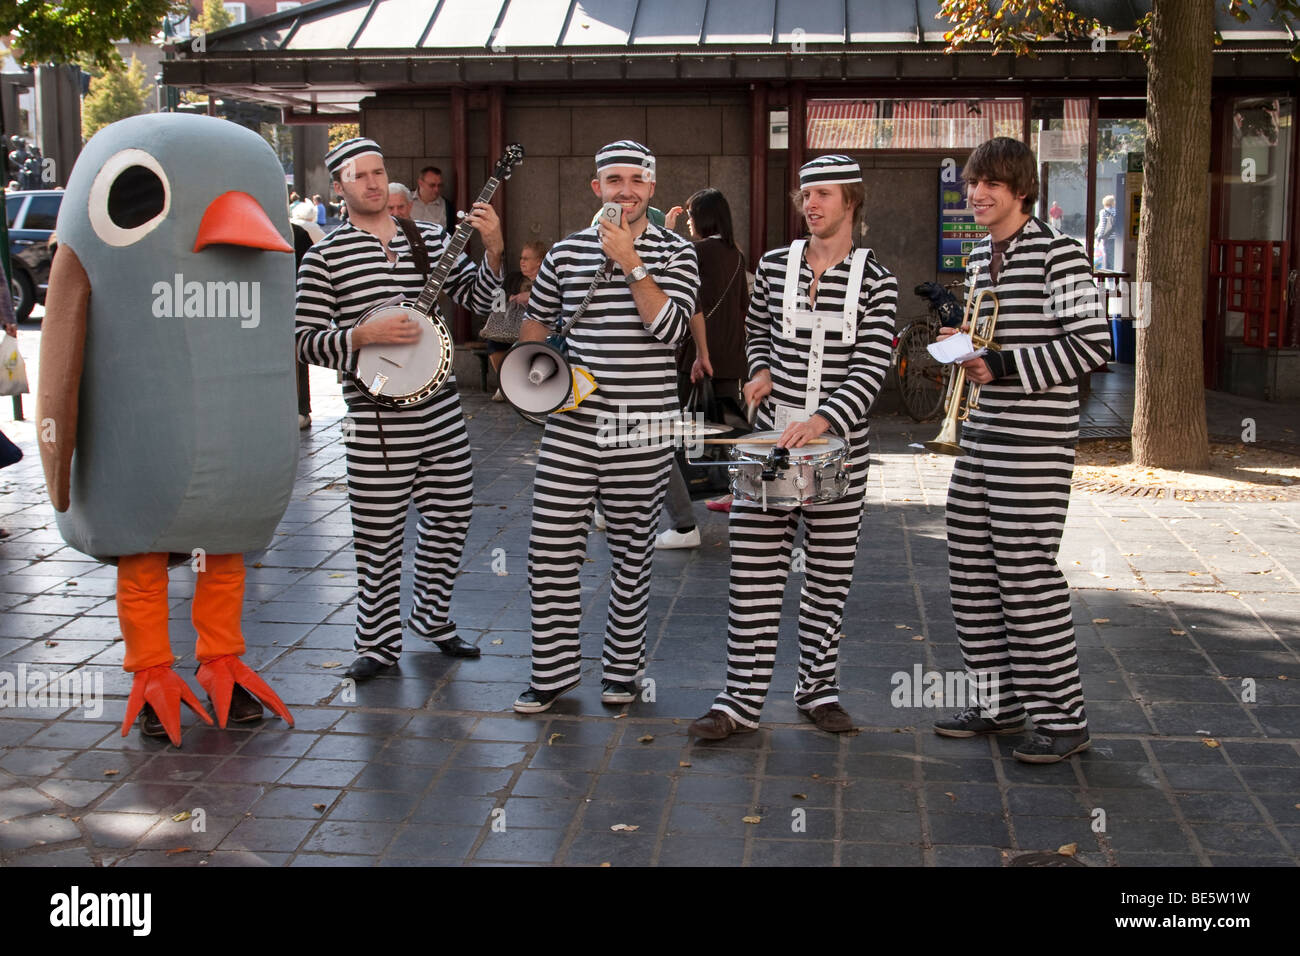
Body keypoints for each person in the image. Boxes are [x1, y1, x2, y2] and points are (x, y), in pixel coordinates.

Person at [689, 154, 897, 739]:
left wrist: (828, 416)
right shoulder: (776, 266)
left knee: (829, 579)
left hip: (840, 451)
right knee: (752, 575)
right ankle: (739, 703)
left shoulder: (877, 280)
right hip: (771, 444)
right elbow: (757, 333)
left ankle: (818, 691)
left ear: (851, 201)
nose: (810, 204)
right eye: (805, 194)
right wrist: (759, 373)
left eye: (824, 194)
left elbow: (872, 363)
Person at [295, 137, 505, 680]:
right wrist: (360, 334)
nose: (370, 181)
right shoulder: (324, 256)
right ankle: (378, 643)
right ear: (338, 187)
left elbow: (482, 304)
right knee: (378, 532)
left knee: (452, 519)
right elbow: (302, 340)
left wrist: (495, 252)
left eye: (378, 170)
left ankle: (432, 617)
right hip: (375, 420)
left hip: (440, 412)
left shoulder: (429, 237)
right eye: (358, 175)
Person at [931, 137, 1111, 763]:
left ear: (1020, 191)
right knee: (971, 570)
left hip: (1034, 443)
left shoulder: (1061, 254)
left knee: (1027, 577)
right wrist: (963, 341)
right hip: (982, 435)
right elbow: (993, 339)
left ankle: (1064, 721)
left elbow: (1091, 345)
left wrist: (1001, 364)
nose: (975, 194)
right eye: (972, 184)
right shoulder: (983, 257)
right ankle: (999, 703)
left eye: (989, 185)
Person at [512, 140, 699, 714]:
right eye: (613, 179)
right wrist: (536, 387)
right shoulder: (566, 253)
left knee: (631, 551)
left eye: (636, 180)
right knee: (549, 550)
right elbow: (535, 326)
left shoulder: (678, 253)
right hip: (571, 426)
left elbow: (670, 331)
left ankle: (622, 672)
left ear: (652, 187)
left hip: (642, 428)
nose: (626, 190)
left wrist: (632, 262)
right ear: (596, 187)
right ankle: (552, 671)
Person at [656, 188, 748, 549]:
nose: (690, 222)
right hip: (730, 354)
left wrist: (665, 229)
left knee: (672, 430)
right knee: (729, 427)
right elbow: (742, 305)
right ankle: (737, 491)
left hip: (696, 354)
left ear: (706, 218)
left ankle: (682, 508)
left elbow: (682, 294)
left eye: (692, 215)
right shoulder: (736, 256)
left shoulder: (694, 252)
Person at [488, 240, 547, 401]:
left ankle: (517, 386)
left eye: (527, 258)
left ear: (539, 261)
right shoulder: (513, 279)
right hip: (510, 325)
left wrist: (530, 296)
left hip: (538, 328)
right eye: (521, 258)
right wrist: (509, 299)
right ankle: (505, 382)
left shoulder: (547, 278)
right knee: (494, 342)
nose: (522, 262)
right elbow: (496, 301)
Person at [411, 165, 457, 230]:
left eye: (439, 185)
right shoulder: (405, 199)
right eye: (432, 185)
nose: (436, 189)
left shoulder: (447, 207)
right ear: (420, 183)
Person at [1094, 194, 1116, 270]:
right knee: (1112, 257)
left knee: (1108, 257)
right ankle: (1113, 274)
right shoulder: (1116, 211)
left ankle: (1110, 278)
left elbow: (1102, 224)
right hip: (1115, 237)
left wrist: (1099, 236)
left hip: (1107, 237)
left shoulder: (1103, 212)